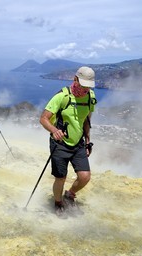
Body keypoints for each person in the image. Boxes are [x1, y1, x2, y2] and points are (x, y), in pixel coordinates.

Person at [39, 66, 96, 218]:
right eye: (83, 84)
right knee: (61, 177)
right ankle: (58, 203)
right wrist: (54, 130)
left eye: (88, 86)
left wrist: (88, 140)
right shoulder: (62, 96)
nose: (85, 89)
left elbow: (86, 120)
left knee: (85, 176)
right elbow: (43, 118)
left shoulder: (90, 97)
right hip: (60, 143)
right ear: (75, 79)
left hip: (78, 143)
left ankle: (70, 195)